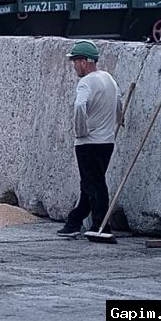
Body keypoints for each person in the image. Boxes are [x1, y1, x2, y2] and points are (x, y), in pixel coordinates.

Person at [57, 40, 122, 237]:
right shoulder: (108, 78)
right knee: (90, 183)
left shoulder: (85, 82)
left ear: (84, 62)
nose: (74, 66)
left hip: (88, 143)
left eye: (75, 61)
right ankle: (74, 222)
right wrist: (119, 120)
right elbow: (119, 101)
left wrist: (80, 131)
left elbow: (79, 106)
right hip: (107, 142)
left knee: (95, 184)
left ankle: (101, 226)